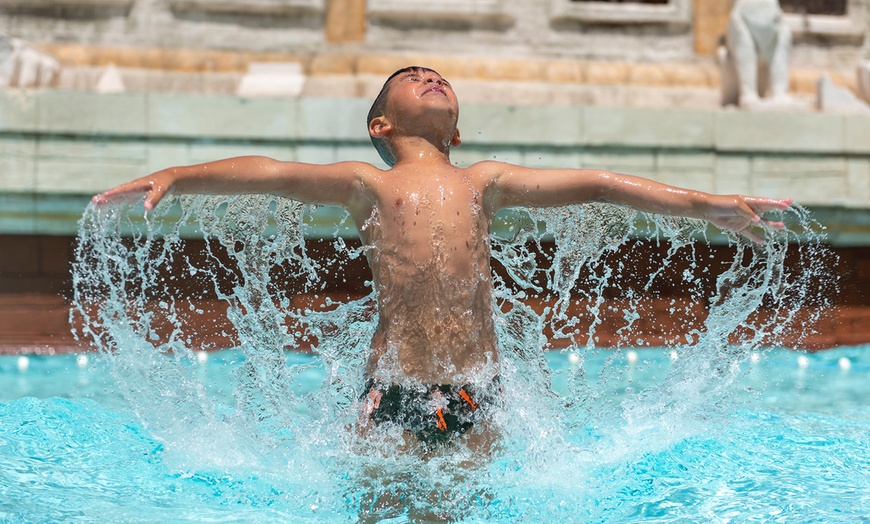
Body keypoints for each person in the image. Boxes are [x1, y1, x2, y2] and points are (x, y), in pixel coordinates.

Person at [93, 66, 792, 448]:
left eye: (441, 80)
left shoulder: (480, 182)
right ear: (381, 124)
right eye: (412, 76)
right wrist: (179, 178)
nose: (433, 78)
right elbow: (269, 170)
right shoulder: (367, 184)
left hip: (477, 395)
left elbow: (597, 184)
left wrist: (705, 203)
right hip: (389, 393)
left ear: (456, 126)